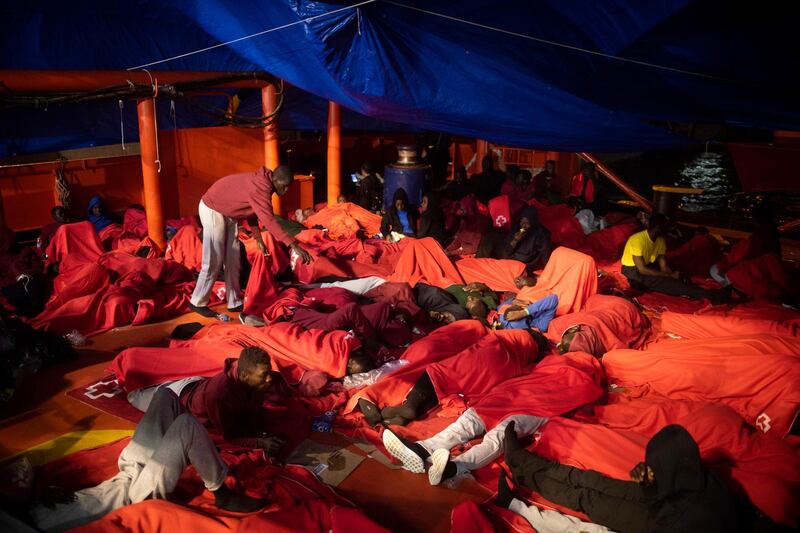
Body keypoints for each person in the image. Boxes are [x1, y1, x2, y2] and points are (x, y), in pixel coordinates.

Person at [29, 387, 267, 531]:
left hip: (126, 475)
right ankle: (220, 492)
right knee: (187, 426)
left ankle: (195, 450)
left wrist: (39, 493)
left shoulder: (22, 511)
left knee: (166, 397)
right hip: (135, 500)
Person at [380, 351, 602, 486]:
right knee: (475, 422)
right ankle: (424, 449)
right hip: (518, 398)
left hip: (538, 406)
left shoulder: (584, 377)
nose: (565, 347)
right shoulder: (554, 365)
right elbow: (530, 376)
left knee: (497, 433)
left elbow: (583, 396)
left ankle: (454, 467)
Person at [503, 423, 738, 533]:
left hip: (654, 525)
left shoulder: (691, 519)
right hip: (667, 502)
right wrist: (648, 484)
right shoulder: (706, 484)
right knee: (591, 480)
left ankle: (524, 474)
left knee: (585, 497)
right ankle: (521, 460)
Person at [188, 166, 313, 318]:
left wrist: (258, 237)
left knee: (233, 259)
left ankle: (233, 301)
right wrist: (293, 244)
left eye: (288, 187)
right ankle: (197, 302)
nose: (285, 190)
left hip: (228, 212)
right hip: (213, 208)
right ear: (275, 180)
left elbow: (251, 210)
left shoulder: (264, 185)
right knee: (214, 259)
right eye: (284, 186)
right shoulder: (260, 188)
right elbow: (269, 220)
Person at [358, 329, 543, 427]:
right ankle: (409, 413)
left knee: (440, 372)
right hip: (474, 387)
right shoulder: (521, 362)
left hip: (464, 366)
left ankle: (409, 407)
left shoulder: (504, 338)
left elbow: (480, 342)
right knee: (450, 386)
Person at [126, 347, 287, 453]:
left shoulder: (254, 381)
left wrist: (261, 433)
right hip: (175, 397)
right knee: (134, 396)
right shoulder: (218, 395)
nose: (269, 379)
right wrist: (259, 443)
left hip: (197, 384)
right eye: (263, 375)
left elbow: (251, 416)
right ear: (244, 376)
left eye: (269, 373)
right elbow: (226, 437)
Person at [621, 213, 729, 304]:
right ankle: (713, 296)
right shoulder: (638, 240)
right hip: (632, 270)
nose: (669, 230)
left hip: (648, 265)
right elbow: (642, 269)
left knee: (676, 279)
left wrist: (673, 275)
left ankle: (701, 292)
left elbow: (663, 265)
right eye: (666, 227)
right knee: (664, 282)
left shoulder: (660, 241)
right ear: (658, 227)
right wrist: (669, 276)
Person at [477, 206, 552, 269]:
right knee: (490, 236)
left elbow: (545, 253)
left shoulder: (540, 232)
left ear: (533, 222)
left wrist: (546, 268)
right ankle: (478, 263)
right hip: (510, 255)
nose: (523, 225)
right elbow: (508, 249)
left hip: (524, 262)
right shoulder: (517, 227)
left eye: (527, 223)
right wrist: (515, 240)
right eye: (522, 221)